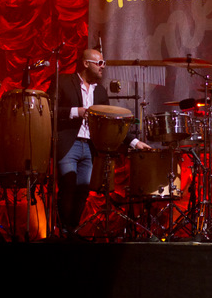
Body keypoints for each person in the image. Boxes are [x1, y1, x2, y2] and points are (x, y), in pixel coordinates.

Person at [47, 48, 149, 237]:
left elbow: (112, 121)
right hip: (69, 144)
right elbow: (49, 109)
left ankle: (71, 230)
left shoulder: (100, 92)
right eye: (100, 63)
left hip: (90, 147)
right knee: (68, 185)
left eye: (104, 63)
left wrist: (134, 142)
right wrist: (76, 112)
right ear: (86, 64)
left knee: (83, 190)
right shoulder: (64, 81)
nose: (103, 67)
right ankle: (62, 231)